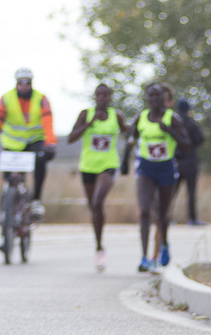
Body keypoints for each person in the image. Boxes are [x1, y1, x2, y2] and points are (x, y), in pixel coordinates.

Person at [122, 83, 190, 273]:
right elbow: (130, 138)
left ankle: (164, 244)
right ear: (147, 99)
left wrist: (170, 132)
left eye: (158, 96)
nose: (154, 100)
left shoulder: (172, 119)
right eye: (151, 96)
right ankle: (144, 257)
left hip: (166, 169)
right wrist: (124, 161)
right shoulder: (141, 118)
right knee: (144, 211)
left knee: (162, 214)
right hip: (146, 169)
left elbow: (186, 145)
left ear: (163, 99)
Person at [67, 84, 128, 272]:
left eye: (105, 95)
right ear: (94, 97)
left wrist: (127, 158)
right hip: (88, 166)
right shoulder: (85, 114)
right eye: (98, 95)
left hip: (108, 164)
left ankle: (99, 248)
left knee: (97, 201)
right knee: (93, 207)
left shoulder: (116, 116)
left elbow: (129, 134)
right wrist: (88, 124)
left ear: (110, 98)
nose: (101, 98)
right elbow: (71, 138)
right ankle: (99, 245)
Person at [0, 67, 57, 220]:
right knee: (8, 177)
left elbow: (47, 121)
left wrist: (51, 143)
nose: (24, 86)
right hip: (12, 142)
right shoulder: (6, 98)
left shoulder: (40, 99)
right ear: (16, 83)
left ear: (31, 83)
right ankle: (7, 207)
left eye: (27, 83)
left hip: (34, 141)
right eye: (21, 83)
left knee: (40, 160)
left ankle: (36, 199)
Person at [174, 99, 206, 226]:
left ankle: (166, 217)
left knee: (171, 193)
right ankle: (192, 219)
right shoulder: (192, 123)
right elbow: (200, 139)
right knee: (191, 193)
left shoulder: (173, 123)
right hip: (190, 162)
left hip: (176, 162)